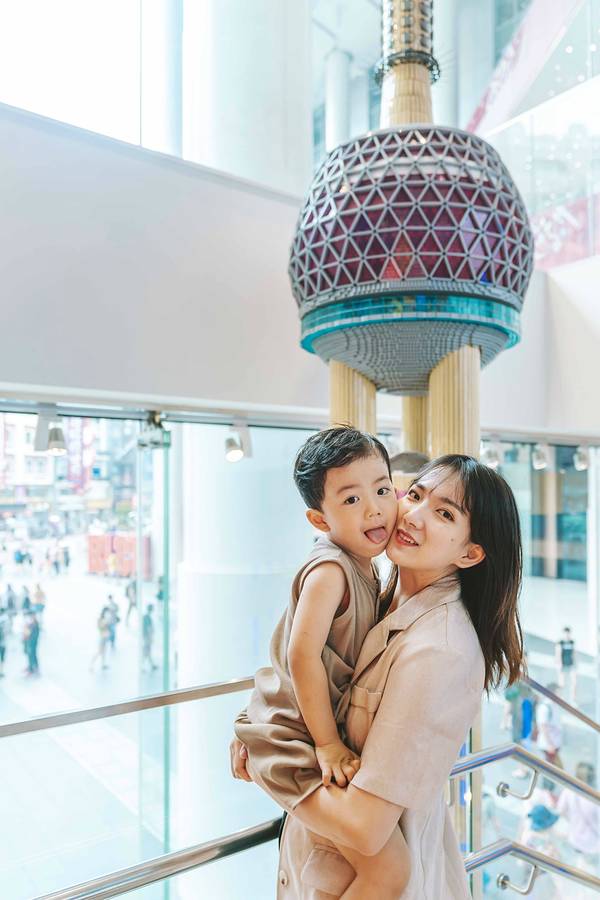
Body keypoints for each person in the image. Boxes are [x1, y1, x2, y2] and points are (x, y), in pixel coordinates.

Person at [231, 453, 524, 899]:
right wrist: (262, 720)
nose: (414, 515)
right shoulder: (377, 592)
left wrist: (267, 757)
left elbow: (365, 828)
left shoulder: (439, 651)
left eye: (444, 513)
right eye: (416, 495)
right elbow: (309, 667)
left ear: (470, 553)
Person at [235, 427, 405, 898]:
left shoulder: (367, 566)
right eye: (351, 500)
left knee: (385, 866)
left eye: (382, 490)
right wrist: (328, 745)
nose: (374, 509)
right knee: (390, 868)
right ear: (319, 518)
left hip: (299, 733)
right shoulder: (331, 570)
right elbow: (300, 654)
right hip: (293, 740)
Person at [557, 762, 600, 870]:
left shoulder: (569, 791)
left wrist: (572, 819)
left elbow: (560, 810)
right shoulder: (596, 796)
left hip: (576, 838)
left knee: (583, 864)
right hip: (595, 842)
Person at [536, 684, 563, 770]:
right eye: (558, 693)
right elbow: (542, 727)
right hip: (548, 746)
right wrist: (550, 745)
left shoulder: (554, 705)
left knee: (554, 769)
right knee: (551, 769)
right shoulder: (545, 707)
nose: (560, 695)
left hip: (554, 743)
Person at [556, 626, 576, 704]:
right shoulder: (561, 642)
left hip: (571, 664)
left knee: (574, 682)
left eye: (568, 633)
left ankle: (573, 699)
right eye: (565, 633)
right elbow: (558, 653)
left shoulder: (572, 642)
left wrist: (575, 664)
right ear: (564, 634)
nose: (567, 635)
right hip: (563, 665)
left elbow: (574, 653)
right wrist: (559, 664)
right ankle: (561, 699)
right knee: (562, 683)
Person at [90, 607, 112, 671]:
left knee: (104, 652)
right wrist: (106, 623)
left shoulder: (106, 619)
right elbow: (100, 627)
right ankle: (91, 664)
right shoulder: (100, 619)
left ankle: (103, 664)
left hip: (105, 637)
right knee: (99, 652)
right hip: (102, 637)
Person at [23, 610, 40, 675]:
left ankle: (32, 669)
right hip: (30, 642)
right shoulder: (32, 623)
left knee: (32, 655)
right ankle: (31, 667)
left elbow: (33, 634)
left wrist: (28, 637)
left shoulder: (35, 623)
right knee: (31, 655)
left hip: (32, 642)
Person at [142, 604, 158, 671]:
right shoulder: (147, 618)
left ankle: (152, 664)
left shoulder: (146, 617)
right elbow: (149, 628)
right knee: (146, 651)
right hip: (147, 637)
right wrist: (150, 637)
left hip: (146, 637)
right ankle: (142, 665)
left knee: (148, 651)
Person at [0, 606, 7, 677]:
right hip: (3, 643)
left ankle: (1, 671)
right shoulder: (5, 620)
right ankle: (1, 671)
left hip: (2, 643)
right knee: (2, 658)